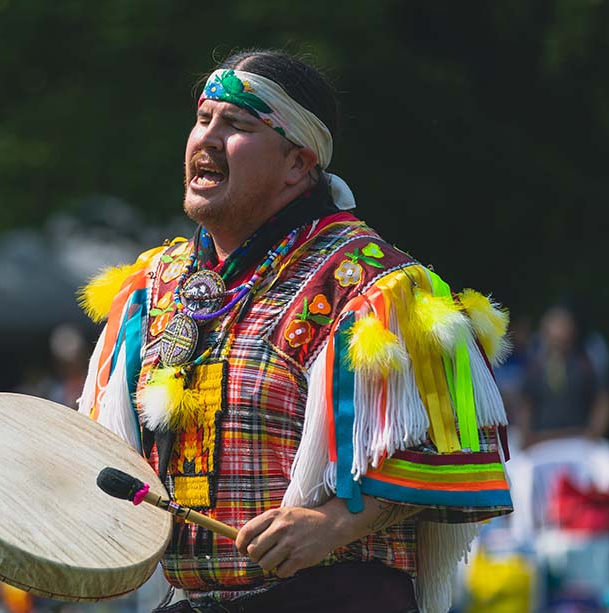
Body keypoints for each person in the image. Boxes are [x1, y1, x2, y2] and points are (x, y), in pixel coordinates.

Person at [77, 49, 513, 613]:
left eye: (236, 125)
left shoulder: (373, 284)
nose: (206, 138)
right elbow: (98, 461)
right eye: (203, 118)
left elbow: (461, 448)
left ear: (297, 164)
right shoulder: (151, 288)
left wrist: (332, 522)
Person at [517, 302, 609, 448]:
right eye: (555, 326)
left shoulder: (585, 364)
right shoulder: (534, 368)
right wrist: (525, 439)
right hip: (542, 442)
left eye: (564, 326)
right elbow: (525, 404)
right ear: (544, 331)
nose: (560, 333)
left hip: (579, 440)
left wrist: (594, 433)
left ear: (573, 330)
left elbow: (602, 399)